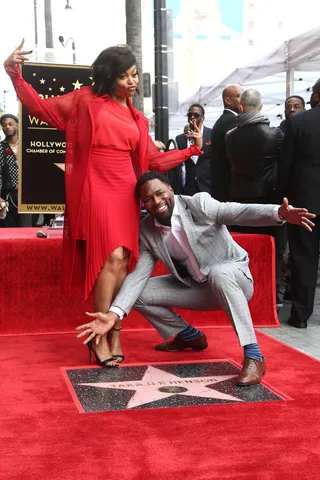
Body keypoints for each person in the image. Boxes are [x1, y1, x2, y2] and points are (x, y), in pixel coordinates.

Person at [5, 40, 203, 366]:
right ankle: (99, 336)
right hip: (95, 188)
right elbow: (41, 108)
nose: (133, 82)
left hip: (126, 190)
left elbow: (151, 159)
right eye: (125, 76)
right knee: (108, 259)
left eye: (135, 75)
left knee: (123, 263)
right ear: (110, 76)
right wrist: (14, 74)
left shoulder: (138, 118)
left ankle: (115, 331)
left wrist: (189, 152)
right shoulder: (85, 100)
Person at [76, 172, 315, 386]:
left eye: (159, 194)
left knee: (220, 272)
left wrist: (278, 213)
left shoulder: (198, 204)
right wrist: (113, 314)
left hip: (234, 278)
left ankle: (254, 356)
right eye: (148, 199)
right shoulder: (147, 229)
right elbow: (138, 277)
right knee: (136, 293)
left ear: (171, 190)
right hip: (198, 287)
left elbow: (236, 211)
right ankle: (190, 336)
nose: (156, 202)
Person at [225, 89, 285, 307]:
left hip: (239, 199)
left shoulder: (230, 136)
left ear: (240, 108)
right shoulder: (275, 134)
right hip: (268, 197)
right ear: (260, 107)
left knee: (244, 249)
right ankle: (273, 296)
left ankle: (243, 293)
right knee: (273, 248)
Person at [277, 80, 320, 328]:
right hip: (306, 200)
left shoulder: (297, 123)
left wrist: (283, 201)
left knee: (304, 257)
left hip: (305, 202)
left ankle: (300, 316)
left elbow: (286, 166)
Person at [211, 84, 244, 202]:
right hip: (229, 189)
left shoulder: (223, 121)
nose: (244, 100)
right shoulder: (232, 121)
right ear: (227, 100)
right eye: (240, 96)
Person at [170, 104, 212, 196]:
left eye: (196, 115)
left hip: (208, 187)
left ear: (202, 118)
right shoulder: (180, 139)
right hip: (188, 188)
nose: (192, 117)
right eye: (189, 115)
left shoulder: (211, 135)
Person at [0, 113, 32, 227]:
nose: (7, 127)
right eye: (4, 125)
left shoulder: (27, 145)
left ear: (17, 126)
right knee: (8, 231)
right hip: (8, 196)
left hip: (27, 196)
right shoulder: (1, 147)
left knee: (26, 229)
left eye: (10, 124)